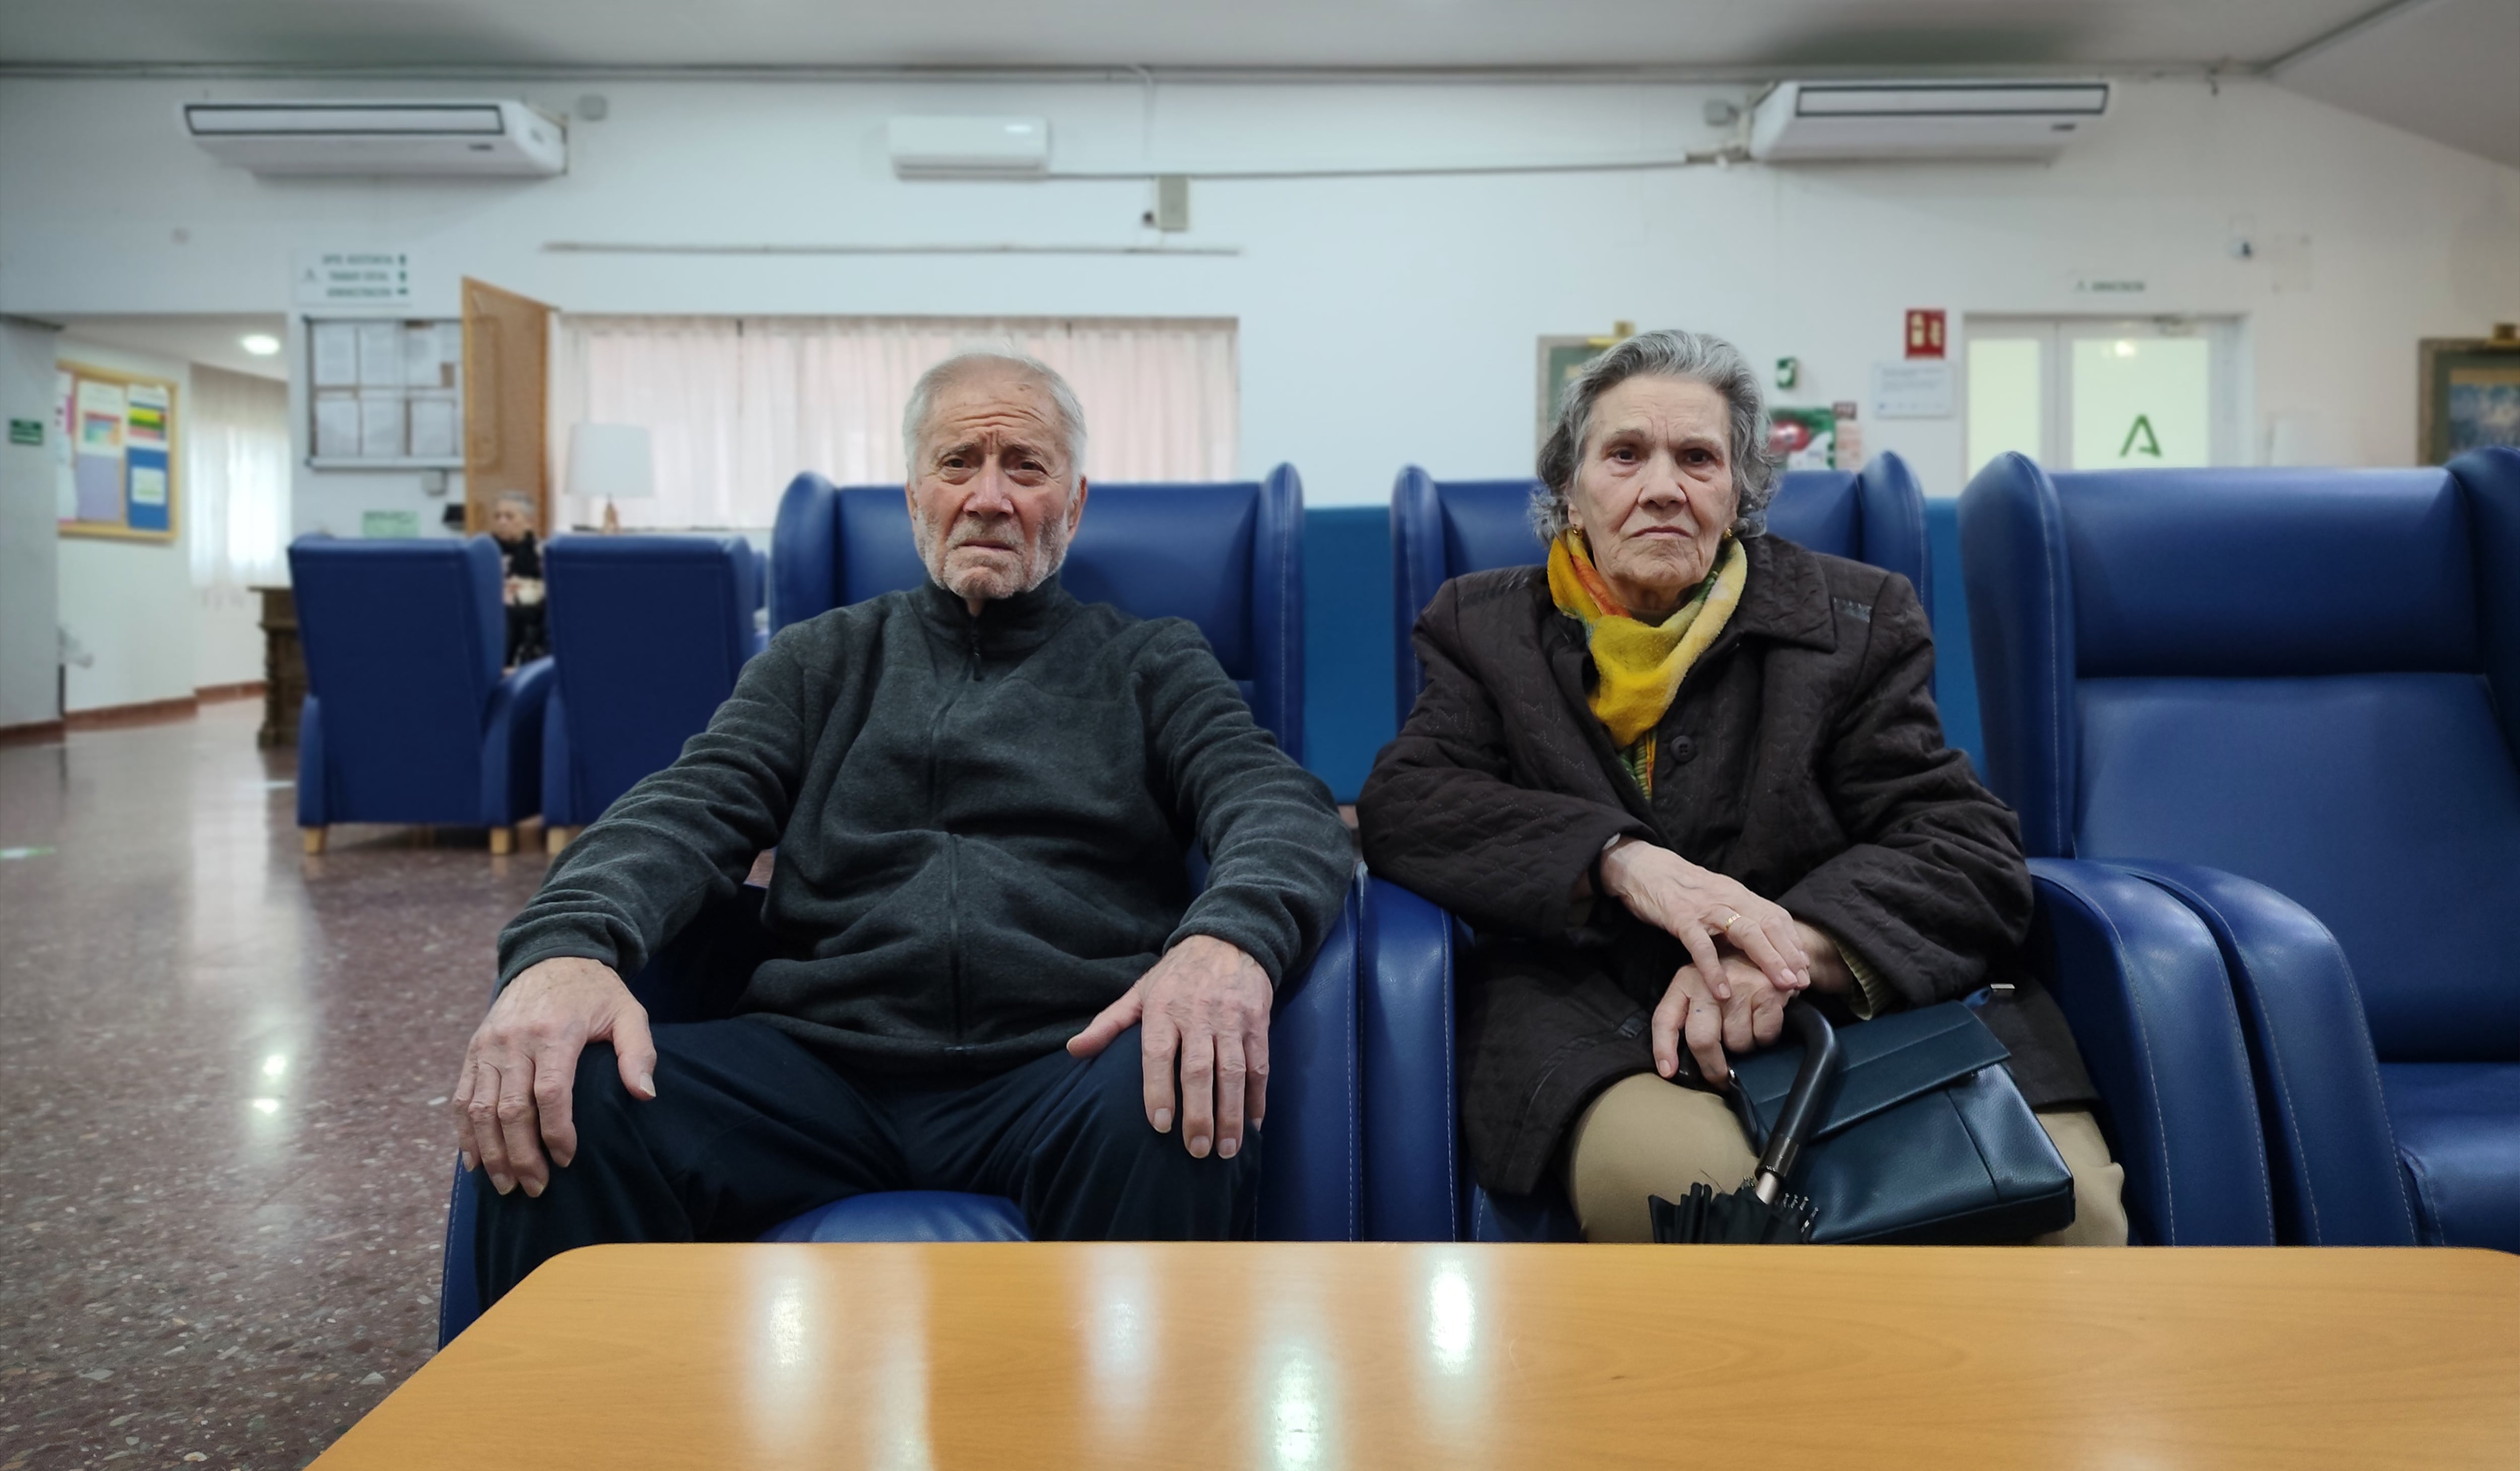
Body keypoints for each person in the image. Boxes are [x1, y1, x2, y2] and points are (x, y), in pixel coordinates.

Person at [454, 352, 1350, 1302]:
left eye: (1028, 468)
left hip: (1066, 1059)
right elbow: (687, 808)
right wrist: (565, 946)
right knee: (576, 1098)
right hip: (817, 1065)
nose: (990, 497)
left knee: (1178, 1097)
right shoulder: (819, 661)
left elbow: (1279, 804)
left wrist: (1228, 939)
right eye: (959, 461)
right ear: (915, 494)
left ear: (1075, 503)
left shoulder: (1153, 661)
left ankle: (1131, 1445)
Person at [1358, 329, 2127, 1244]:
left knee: (2073, 1212)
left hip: (1857, 1026)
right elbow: (1411, 803)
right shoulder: (1483, 629)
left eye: (1697, 458)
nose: (1662, 488)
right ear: (1570, 489)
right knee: (1709, 1209)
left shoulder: (1855, 620)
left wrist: (1785, 945)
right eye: (1625, 454)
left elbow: (1964, 847)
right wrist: (1620, 860)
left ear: (1739, 491)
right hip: (1603, 1027)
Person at [486, 490, 547, 666]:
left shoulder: (541, 552)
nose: (502, 522)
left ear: (529, 522)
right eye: (498, 517)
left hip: (528, 610)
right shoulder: (485, 551)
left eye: (509, 517)